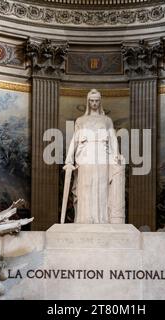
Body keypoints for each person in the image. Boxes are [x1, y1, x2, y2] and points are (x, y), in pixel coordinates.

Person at [64, 89, 123, 224]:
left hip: (102, 154)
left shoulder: (107, 120)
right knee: (85, 186)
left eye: (97, 100)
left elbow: (113, 138)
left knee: (102, 187)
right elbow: (74, 140)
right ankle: (84, 219)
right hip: (85, 155)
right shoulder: (81, 120)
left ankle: (102, 218)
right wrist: (69, 159)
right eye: (92, 100)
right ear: (88, 102)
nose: (94, 103)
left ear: (100, 101)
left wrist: (116, 154)